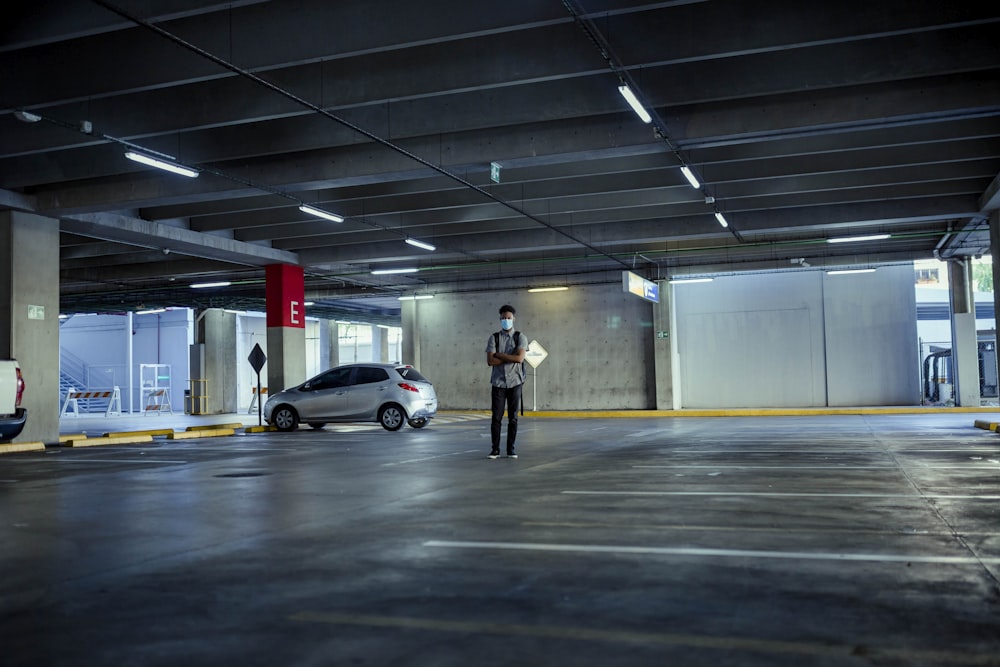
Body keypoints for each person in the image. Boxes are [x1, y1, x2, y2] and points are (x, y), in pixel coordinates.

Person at [485, 304, 527, 459]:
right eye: (503, 318)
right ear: (500, 319)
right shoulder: (494, 338)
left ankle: (511, 449)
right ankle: (495, 449)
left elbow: (520, 358)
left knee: (513, 418)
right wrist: (509, 356)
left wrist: (499, 355)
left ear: (513, 319)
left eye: (508, 318)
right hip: (498, 383)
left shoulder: (520, 337)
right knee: (496, 417)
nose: (506, 321)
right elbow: (490, 361)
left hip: (516, 382)